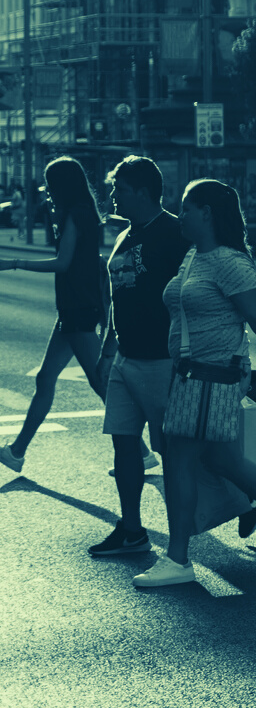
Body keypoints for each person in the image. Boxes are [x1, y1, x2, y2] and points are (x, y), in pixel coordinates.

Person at [130, 180, 256, 588]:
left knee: (179, 458)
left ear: (207, 213)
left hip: (213, 375)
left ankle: (179, 559)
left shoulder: (230, 263)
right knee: (223, 461)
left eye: (186, 208)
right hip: (191, 375)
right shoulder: (193, 257)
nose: (179, 215)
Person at [84, 157, 189, 558]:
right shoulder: (125, 235)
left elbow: (194, 291)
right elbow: (119, 296)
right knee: (124, 443)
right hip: (126, 358)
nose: (113, 195)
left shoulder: (174, 232)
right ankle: (132, 530)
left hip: (162, 360)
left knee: (177, 452)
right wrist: (108, 349)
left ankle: (240, 497)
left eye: (119, 190)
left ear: (143, 192)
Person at [0, 156, 110, 483]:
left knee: (101, 384)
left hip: (76, 310)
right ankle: (17, 452)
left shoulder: (75, 216)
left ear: (61, 186)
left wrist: (15, 262)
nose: (46, 191)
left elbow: (64, 263)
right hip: (74, 310)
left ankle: (145, 449)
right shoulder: (85, 214)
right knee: (45, 379)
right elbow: (95, 265)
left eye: (49, 185)